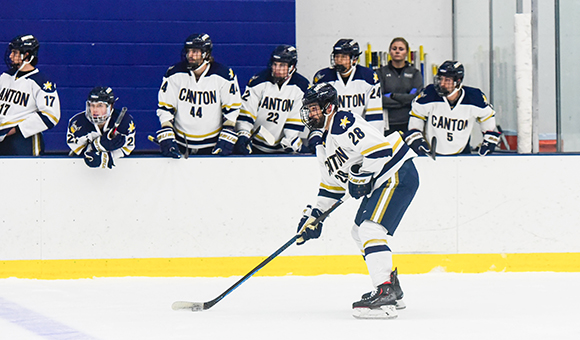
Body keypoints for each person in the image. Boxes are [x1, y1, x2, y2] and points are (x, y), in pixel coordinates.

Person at [296, 83, 419, 319]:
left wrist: (360, 176)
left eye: (313, 108)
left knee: (369, 228)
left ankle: (385, 292)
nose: (310, 114)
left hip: (396, 173)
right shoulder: (324, 144)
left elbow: (380, 150)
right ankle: (393, 289)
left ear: (329, 107)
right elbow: (331, 188)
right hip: (386, 179)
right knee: (358, 231)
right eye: (308, 109)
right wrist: (314, 218)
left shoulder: (343, 122)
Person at [155, 33, 242, 158]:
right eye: (188, 51)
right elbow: (165, 108)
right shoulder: (174, 73)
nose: (190, 55)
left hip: (212, 144)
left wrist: (227, 133)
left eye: (195, 51)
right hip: (181, 143)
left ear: (206, 53)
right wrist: (167, 133)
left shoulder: (224, 75)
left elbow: (232, 110)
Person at [404, 60, 501, 156]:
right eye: (440, 79)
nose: (442, 84)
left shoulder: (474, 97)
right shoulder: (429, 94)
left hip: (462, 152)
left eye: (447, 80)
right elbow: (417, 114)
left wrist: (489, 137)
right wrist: (415, 135)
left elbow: (487, 116)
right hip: (431, 152)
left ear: (458, 82)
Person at [234, 45, 311, 154]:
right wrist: (243, 135)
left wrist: (293, 143)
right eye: (275, 64)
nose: (277, 69)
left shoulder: (302, 87)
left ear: (292, 67)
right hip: (255, 145)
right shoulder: (258, 81)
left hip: (282, 149)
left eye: (282, 65)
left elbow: (292, 127)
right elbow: (247, 114)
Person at [0, 34, 60, 156]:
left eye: (15, 52)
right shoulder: (5, 77)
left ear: (27, 55)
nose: (11, 56)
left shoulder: (41, 82)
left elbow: (51, 116)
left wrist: (16, 129)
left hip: (23, 140)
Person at [312, 39, 384, 134]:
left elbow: (374, 114)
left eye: (343, 57)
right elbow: (317, 113)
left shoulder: (369, 78)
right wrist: (318, 134)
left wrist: (375, 137)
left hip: (360, 133)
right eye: (336, 56)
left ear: (354, 59)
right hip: (331, 133)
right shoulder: (323, 78)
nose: (339, 60)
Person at [66, 87, 135, 169]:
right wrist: (96, 146)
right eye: (92, 105)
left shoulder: (124, 121)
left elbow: (128, 148)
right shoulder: (77, 123)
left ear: (110, 106)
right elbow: (78, 150)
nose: (95, 110)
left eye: (100, 106)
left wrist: (110, 156)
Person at [376, 37, 423, 136]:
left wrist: (392, 96)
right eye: (394, 49)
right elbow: (379, 98)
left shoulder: (415, 73)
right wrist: (405, 99)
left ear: (406, 52)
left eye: (401, 49)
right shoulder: (380, 73)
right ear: (390, 52)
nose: (397, 51)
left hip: (409, 122)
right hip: (388, 123)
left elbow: (416, 98)